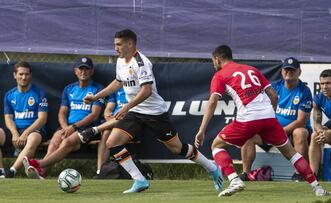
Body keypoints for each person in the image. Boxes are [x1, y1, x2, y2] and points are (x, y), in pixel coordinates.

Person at [75, 29, 223, 193]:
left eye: (118, 44)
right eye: (115, 44)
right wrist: (96, 97)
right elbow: (117, 83)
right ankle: (139, 180)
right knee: (112, 142)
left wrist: (126, 107)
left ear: (130, 44)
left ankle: (212, 168)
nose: (115, 48)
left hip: (154, 113)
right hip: (135, 112)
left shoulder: (141, 62)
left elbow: (146, 91)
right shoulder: (120, 61)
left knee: (177, 148)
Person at [194, 45, 329, 197]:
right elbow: (274, 96)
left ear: (217, 60)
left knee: (216, 146)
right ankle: (317, 187)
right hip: (269, 118)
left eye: (213, 61)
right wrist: (270, 117)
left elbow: (212, 102)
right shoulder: (252, 69)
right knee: (292, 154)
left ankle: (235, 180)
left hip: (248, 118)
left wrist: (202, 130)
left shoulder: (220, 75)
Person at [22, 57, 104, 179]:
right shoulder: (69, 89)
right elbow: (62, 113)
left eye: (87, 69)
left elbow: (94, 115)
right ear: (75, 71)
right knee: (55, 140)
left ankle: (39, 164)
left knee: (66, 142)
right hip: (68, 126)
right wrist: (66, 128)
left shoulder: (98, 89)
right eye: (81, 69)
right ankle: (40, 173)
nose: (83, 72)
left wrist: (74, 127)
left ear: (91, 71)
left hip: (88, 128)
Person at [240, 57, 313, 182]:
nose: (288, 72)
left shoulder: (304, 91)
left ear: (299, 72)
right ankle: (245, 174)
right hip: (271, 130)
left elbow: (301, 121)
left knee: (300, 132)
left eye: (292, 70)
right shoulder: (274, 87)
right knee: (248, 135)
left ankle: (299, 173)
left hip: (291, 131)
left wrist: (280, 132)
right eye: (286, 70)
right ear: (282, 71)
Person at [3, 61, 48, 178]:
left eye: (27, 74)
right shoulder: (9, 95)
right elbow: (8, 118)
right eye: (21, 74)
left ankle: (11, 172)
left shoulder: (39, 93)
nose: (24, 77)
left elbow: (42, 119)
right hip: (16, 131)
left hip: (34, 131)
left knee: (32, 138)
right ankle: (1, 171)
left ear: (31, 76)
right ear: (15, 75)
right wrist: (14, 133)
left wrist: (26, 133)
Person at [95, 87, 127, 177]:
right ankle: (100, 172)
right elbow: (108, 109)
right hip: (114, 121)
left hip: (130, 121)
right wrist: (108, 115)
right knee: (106, 133)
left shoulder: (136, 87)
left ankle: (94, 130)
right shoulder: (117, 87)